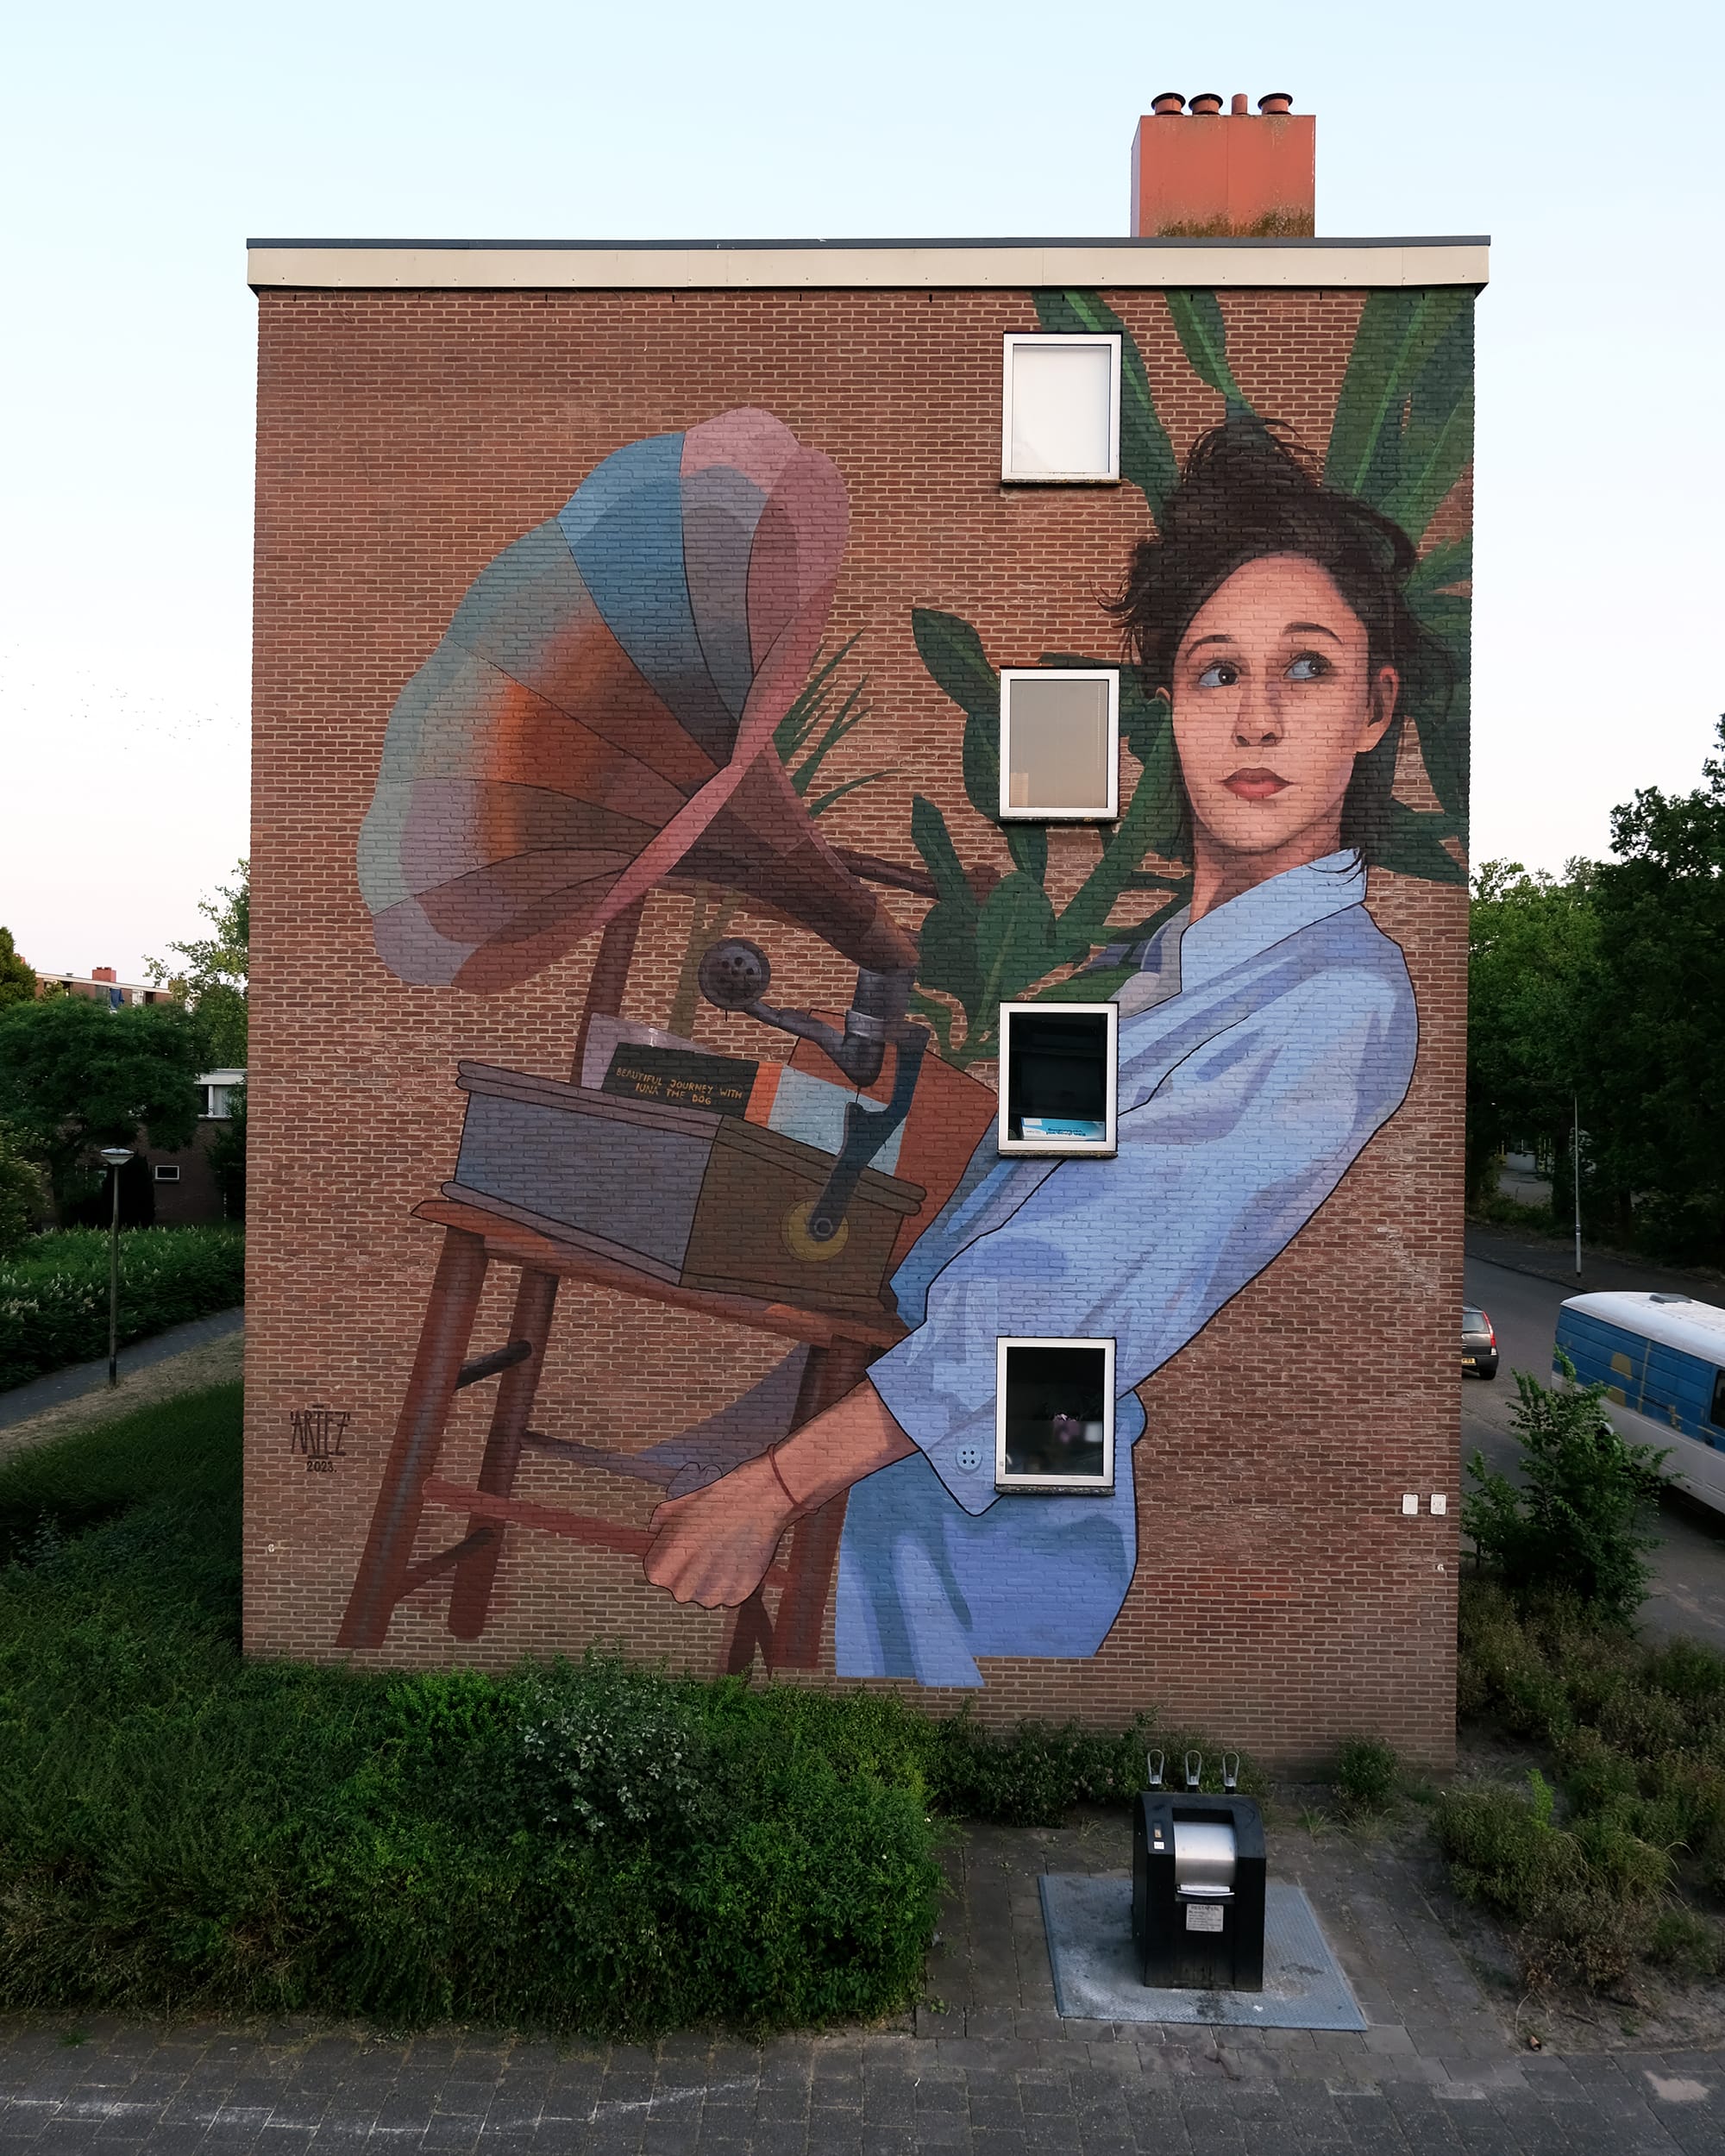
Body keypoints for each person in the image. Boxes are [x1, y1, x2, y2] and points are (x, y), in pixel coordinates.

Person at [643, 417, 1436, 1685]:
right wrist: (761, 1096)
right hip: (909, 1471)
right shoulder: (1166, 968)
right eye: (1219, 673)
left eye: (1309, 668)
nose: (1260, 720)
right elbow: (1005, 1163)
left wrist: (775, 1487)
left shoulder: (1341, 997)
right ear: (1171, 706)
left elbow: (1067, 1294)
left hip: (984, 1531)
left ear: (1372, 710)